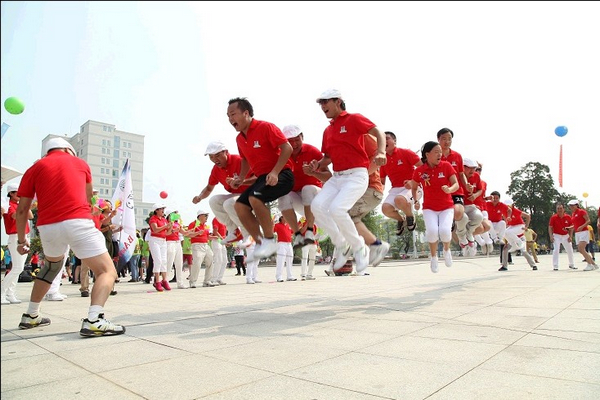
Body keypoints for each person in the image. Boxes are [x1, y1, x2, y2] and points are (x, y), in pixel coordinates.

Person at [14, 137, 125, 336]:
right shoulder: (80, 163)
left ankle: (31, 315)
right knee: (106, 271)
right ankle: (94, 320)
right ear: (68, 149)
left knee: (51, 267)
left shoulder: (34, 168)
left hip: (48, 226)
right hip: (77, 222)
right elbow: (90, 200)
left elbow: (22, 210)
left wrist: (22, 241)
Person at [308, 88, 387, 274]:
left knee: (337, 209)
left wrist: (381, 152)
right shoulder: (328, 130)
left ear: (338, 102)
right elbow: (328, 157)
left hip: (357, 175)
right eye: (321, 103)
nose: (323, 106)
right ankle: (343, 245)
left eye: (326, 101)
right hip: (338, 177)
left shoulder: (354, 119)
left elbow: (378, 132)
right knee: (317, 206)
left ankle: (359, 247)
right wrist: (317, 165)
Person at [227, 97, 295, 260]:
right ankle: (260, 243)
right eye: (228, 116)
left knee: (255, 198)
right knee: (240, 206)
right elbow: (244, 159)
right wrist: (241, 178)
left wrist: (275, 172)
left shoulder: (266, 127)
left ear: (246, 113)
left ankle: (270, 240)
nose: (230, 119)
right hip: (262, 179)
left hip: (282, 174)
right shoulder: (239, 139)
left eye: (233, 114)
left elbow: (287, 147)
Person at [192, 141, 255, 246]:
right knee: (214, 201)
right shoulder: (216, 170)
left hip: (253, 194)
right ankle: (234, 231)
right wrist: (200, 197)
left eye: (217, 156)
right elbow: (208, 188)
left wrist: (242, 181)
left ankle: (247, 232)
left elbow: (259, 178)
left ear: (226, 152)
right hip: (238, 196)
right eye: (211, 157)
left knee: (229, 203)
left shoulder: (239, 160)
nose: (215, 160)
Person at [411, 141, 459, 273]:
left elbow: (456, 184)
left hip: (447, 207)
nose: (440, 154)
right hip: (429, 208)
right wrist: (415, 200)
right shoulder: (420, 171)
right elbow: (414, 187)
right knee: (432, 231)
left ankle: (446, 250)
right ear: (427, 154)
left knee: (444, 230)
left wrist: (449, 189)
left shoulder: (446, 166)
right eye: (436, 152)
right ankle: (433, 257)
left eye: (440, 152)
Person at [277, 124, 323, 249]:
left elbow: (328, 175)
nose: (294, 144)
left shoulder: (312, 151)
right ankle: (297, 235)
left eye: (297, 140)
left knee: (307, 189)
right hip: (297, 197)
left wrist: (313, 171)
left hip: (316, 194)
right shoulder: (281, 155)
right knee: (282, 196)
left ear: (302, 137)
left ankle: (309, 231)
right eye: (290, 142)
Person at [380, 131, 422, 235]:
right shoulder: (382, 160)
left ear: (394, 141)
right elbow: (382, 182)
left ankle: (410, 216)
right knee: (385, 209)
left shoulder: (406, 152)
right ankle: (401, 219)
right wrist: (378, 192)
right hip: (395, 190)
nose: (384, 141)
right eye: (381, 139)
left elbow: (424, 169)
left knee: (399, 199)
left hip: (413, 188)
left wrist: (413, 182)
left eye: (387, 138)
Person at [1, 181, 34, 305]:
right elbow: (14, 216)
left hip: (24, 236)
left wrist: (26, 204)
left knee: (18, 268)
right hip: (15, 237)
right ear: (11, 193)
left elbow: (30, 216)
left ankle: (10, 293)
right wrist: (23, 205)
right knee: (17, 268)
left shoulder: (19, 204)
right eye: (17, 194)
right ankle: (2, 293)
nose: (20, 196)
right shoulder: (8, 205)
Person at [436, 128, 469, 241]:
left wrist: (466, 184)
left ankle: (458, 229)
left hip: (455, 191)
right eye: (444, 139)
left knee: (458, 213)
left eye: (449, 139)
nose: (447, 142)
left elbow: (461, 174)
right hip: (439, 192)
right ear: (438, 139)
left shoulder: (457, 156)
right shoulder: (433, 156)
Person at [500, 198, 537, 271]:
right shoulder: (504, 212)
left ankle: (533, 265)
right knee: (505, 249)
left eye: (509, 206)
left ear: (512, 205)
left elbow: (528, 216)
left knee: (524, 251)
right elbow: (507, 228)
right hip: (512, 239)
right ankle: (504, 266)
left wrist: (526, 226)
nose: (507, 208)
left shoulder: (516, 211)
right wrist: (506, 242)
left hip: (520, 237)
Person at [187, 209, 218, 287]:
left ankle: (207, 281)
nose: (207, 217)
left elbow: (207, 237)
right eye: (205, 216)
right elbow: (188, 235)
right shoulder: (193, 224)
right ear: (200, 216)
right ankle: (192, 281)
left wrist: (214, 237)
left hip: (206, 245)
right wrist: (197, 233)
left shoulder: (205, 226)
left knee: (210, 261)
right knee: (197, 263)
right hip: (197, 245)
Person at [148, 202, 173, 292]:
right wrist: (166, 226)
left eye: (163, 209)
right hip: (155, 240)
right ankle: (157, 281)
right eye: (161, 209)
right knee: (158, 260)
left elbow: (167, 233)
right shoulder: (153, 219)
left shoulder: (163, 219)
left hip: (163, 241)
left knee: (164, 261)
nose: (163, 210)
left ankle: (164, 280)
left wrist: (171, 227)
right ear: (156, 210)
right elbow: (155, 229)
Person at [567, 199, 597, 271]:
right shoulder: (573, 214)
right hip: (577, 233)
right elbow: (575, 225)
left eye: (572, 205)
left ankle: (589, 265)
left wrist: (582, 226)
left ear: (577, 205)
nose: (571, 207)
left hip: (584, 232)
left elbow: (588, 220)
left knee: (581, 249)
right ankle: (594, 264)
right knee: (582, 250)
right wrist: (569, 228)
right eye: (570, 206)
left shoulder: (582, 211)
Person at [548, 202, 575, 270]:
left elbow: (572, 227)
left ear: (564, 209)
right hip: (556, 235)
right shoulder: (553, 217)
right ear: (556, 209)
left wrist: (570, 236)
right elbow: (550, 227)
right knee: (556, 250)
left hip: (566, 235)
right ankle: (555, 266)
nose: (559, 210)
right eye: (558, 208)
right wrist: (551, 236)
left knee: (569, 249)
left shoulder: (568, 217)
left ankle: (571, 264)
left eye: (561, 208)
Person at [165, 209, 187, 289]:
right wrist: (172, 227)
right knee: (169, 263)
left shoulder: (177, 224)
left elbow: (184, 233)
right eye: (174, 213)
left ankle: (180, 283)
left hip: (177, 243)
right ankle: (165, 281)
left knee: (179, 264)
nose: (176, 215)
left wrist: (194, 232)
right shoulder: (166, 223)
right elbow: (166, 233)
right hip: (169, 243)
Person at [273, 215, 296, 282]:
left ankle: (290, 276)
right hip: (281, 244)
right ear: (281, 218)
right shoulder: (277, 225)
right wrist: (272, 223)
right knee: (281, 260)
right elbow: (272, 231)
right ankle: (279, 276)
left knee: (290, 260)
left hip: (289, 244)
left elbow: (293, 231)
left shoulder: (288, 225)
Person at [210, 216, 228, 285]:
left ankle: (219, 278)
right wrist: (222, 238)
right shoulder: (216, 219)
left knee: (225, 260)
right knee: (218, 260)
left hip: (222, 242)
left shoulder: (224, 220)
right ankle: (213, 279)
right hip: (217, 241)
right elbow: (215, 231)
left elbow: (224, 233)